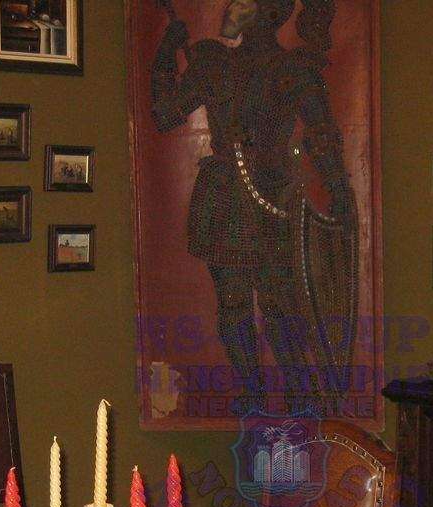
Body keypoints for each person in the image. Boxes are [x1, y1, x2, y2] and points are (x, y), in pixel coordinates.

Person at [151, 0, 355, 416]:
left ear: (266, 11)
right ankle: (253, 396)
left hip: (267, 198)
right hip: (228, 197)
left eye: (243, 1)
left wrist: (338, 186)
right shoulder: (213, 64)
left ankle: (298, 396)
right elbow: (166, 114)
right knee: (235, 304)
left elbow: (321, 135)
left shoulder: (293, 69)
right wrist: (166, 51)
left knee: (278, 304)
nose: (231, 7)